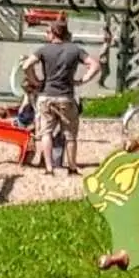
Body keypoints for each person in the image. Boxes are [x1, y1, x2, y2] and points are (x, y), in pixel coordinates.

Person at [31, 21, 102, 175]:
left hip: (46, 96)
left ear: (54, 33)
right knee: (70, 136)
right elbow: (95, 65)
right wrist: (83, 80)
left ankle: (49, 168)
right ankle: (72, 167)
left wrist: (34, 80)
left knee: (46, 133)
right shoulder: (75, 50)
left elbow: (25, 65)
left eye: (47, 32)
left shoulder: (43, 50)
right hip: (66, 97)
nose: (46, 35)